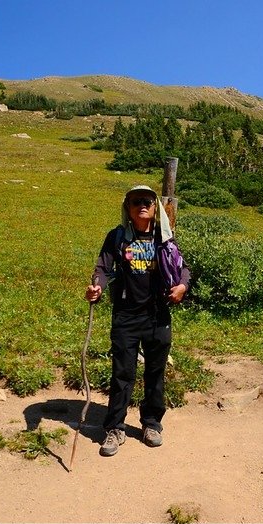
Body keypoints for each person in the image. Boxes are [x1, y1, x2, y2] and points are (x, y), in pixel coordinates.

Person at [85, 185, 190, 456]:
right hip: (126, 316)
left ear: (155, 208)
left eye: (146, 201)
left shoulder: (165, 237)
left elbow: (183, 269)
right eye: (135, 202)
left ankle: (152, 423)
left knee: (155, 373)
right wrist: (97, 286)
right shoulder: (118, 237)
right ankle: (114, 428)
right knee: (122, 373)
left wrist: (182, 287)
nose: (141, 205)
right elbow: (103, 269)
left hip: (157, 315)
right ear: (127, 208)